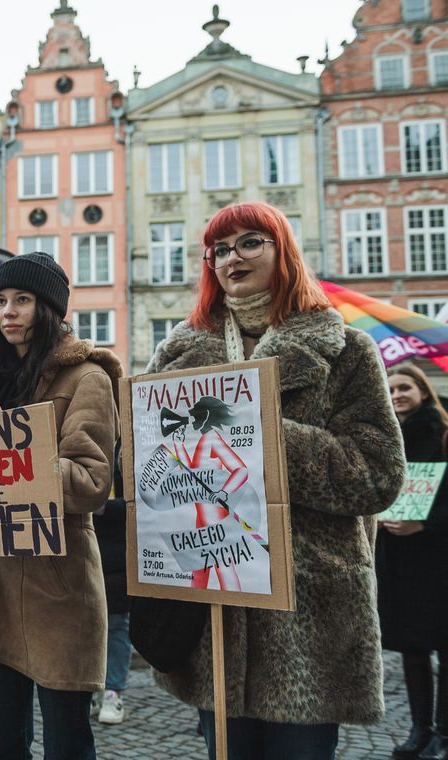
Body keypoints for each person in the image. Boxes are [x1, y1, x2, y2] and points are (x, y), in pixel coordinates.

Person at [148, 201, 406, 759]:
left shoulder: (348, 352)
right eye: (219, 248)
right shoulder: (178, 355)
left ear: (282, 250)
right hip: (215, 601)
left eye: (249, 242)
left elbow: (377, 475)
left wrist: (258, 429)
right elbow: (148, 471)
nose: (231, 257)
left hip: (309, 612)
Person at [0, 252, 120, 760]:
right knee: (3, 746)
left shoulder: (87, 378)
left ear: (48, 307)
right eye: (0, 301)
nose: (7, 311)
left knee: (67, 745)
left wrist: (9, 447)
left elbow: (92, 483)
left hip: (57, 585)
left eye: (22, 300)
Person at [380, 363, 448, 760]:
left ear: (423, 390)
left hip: (438, 556)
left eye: (404, 387)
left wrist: (424, 525)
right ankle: (419, 730)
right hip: (400, 558)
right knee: (412, 648)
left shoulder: (443, 435)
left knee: (444, 646)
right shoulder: (389, 440)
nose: (396, 395)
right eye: (390, 389)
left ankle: (444, 734)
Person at [94, 441, 130, 726]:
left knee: (117, 623)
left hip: (119, 545)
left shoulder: (126, 440)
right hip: (91, 539)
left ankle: (112, 690)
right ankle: (97, 686)